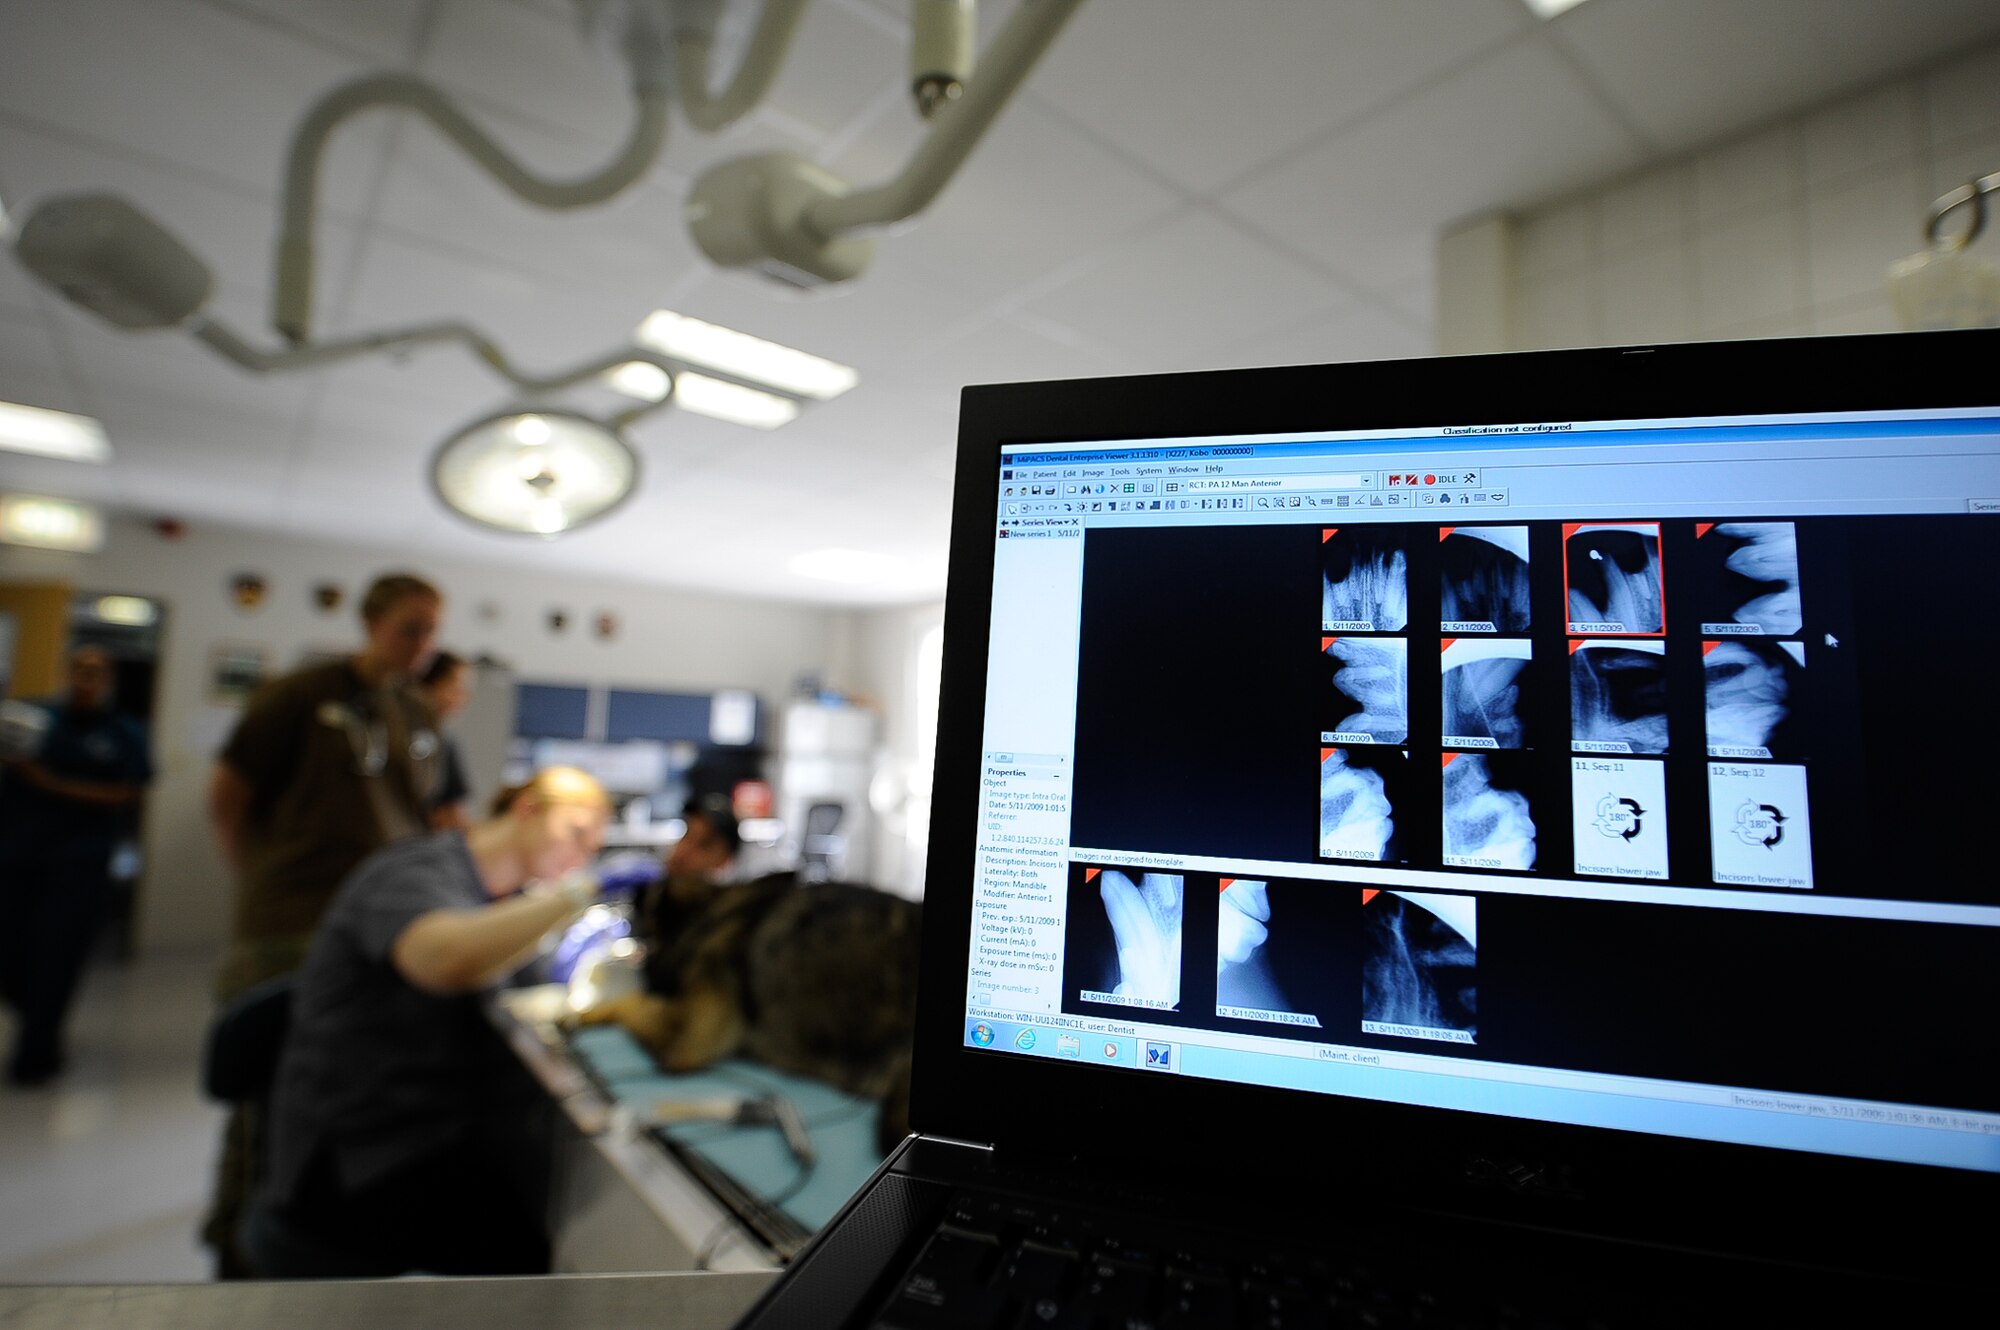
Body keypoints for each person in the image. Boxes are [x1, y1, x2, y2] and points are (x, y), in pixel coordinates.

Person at [250, 765, 614, 1277]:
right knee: (538, 1249)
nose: (581, 855)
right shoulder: (413, 872)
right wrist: (575, 896)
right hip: (358, 1156)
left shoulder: (502, 898)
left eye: (594, 848)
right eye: (576, 833)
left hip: (428, 1131)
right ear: (528, 808)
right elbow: (443, 960)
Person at [202, 571, 444, 1274]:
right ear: (370, 622)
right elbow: (228, 796)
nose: (423, 642)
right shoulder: (299, 698)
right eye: (410, 627)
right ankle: (238, 1253)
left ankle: (305, 1250)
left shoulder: (416, 712)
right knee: (268, 1099)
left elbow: (424, 811)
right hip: (291, 925)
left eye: (431, 629)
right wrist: (262, 880)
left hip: (379, 933)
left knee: (334, 1104)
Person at [0, 647, 153, 1086]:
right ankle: (38, 1021)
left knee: (56, 958)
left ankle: (37, 1053)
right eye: (79, 670)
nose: (86, 678)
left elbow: (127, 792)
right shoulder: (32, 718)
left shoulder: (124, 732)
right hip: (17, 856)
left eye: (96, 672)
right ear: (66, 672)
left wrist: (49, 782)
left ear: (107, 679)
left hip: (78, 863)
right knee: (10, 954)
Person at [415, 651, 474, 831]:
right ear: (430, 685)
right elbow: (447, 815)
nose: (462, 698)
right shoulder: (438, 741)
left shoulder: (443, 740)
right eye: (456, 688)